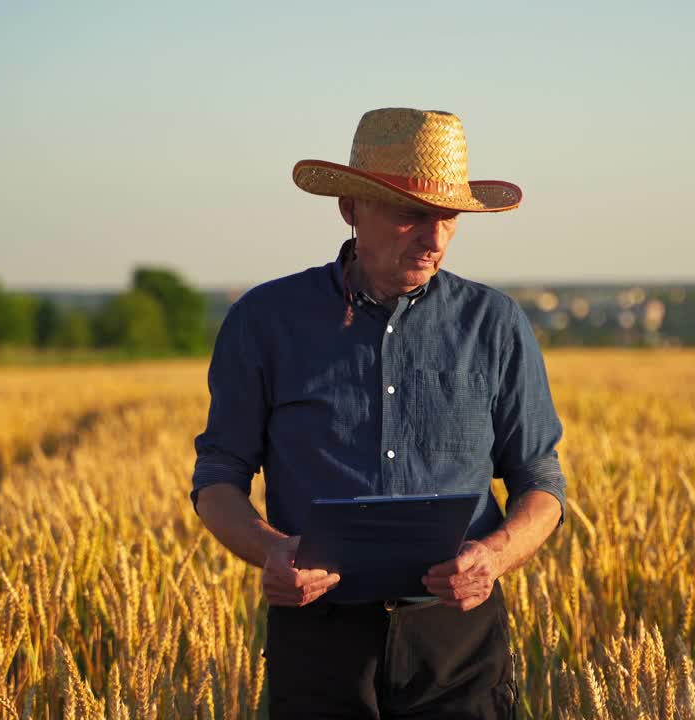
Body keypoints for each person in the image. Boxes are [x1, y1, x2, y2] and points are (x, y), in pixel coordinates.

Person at [191, 107, 567, 719]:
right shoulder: (265, 322)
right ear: (350, 209)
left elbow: (541, 482)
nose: (435, 237)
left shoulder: (494, 324)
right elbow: (217, 478)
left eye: (448, 218)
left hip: (457, 641)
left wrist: (493, 557)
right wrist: (271, 551)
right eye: (412, 215)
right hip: (319, 638)